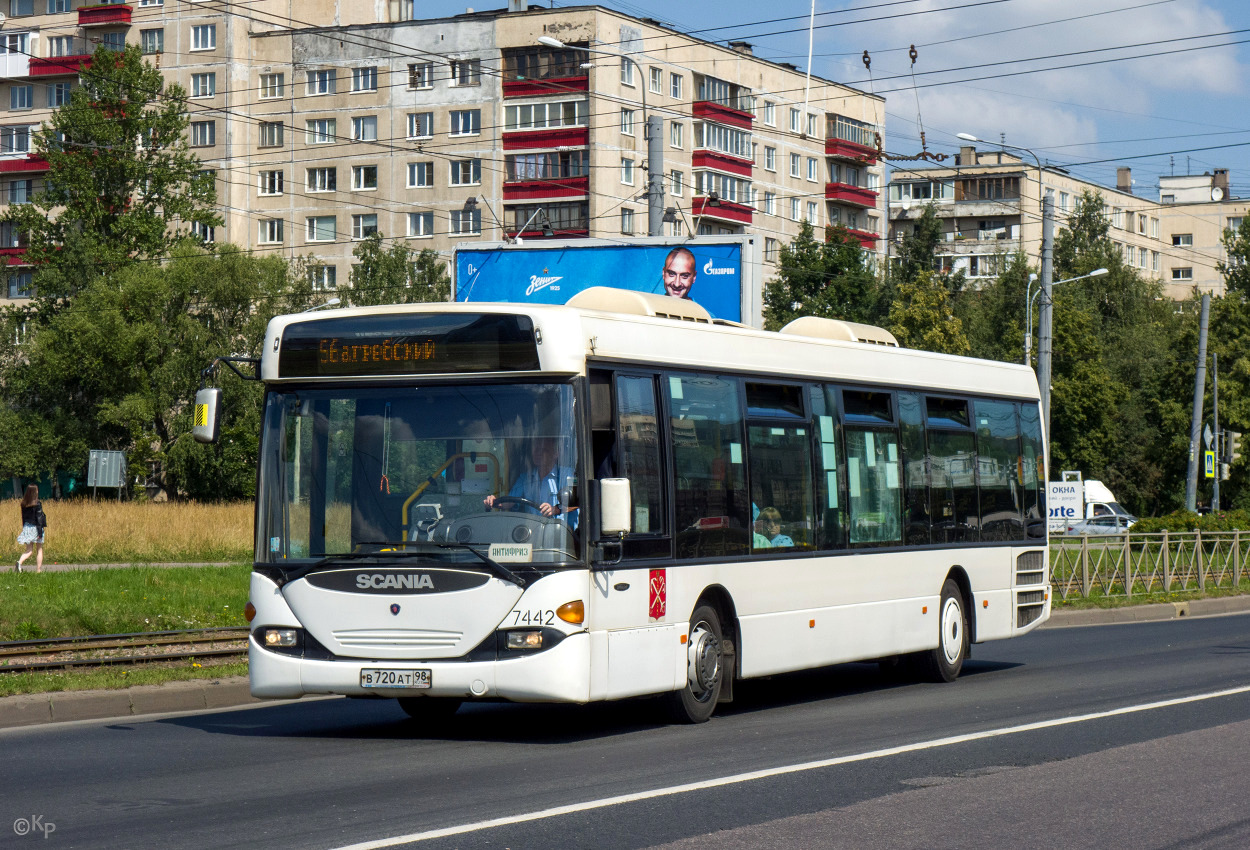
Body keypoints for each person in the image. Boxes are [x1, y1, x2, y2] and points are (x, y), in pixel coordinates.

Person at [484, 436, 577, 527]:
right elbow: (509, 502)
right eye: (535, 449)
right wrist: (494, 501)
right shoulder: (525, 478)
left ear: (556, 453)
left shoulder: (568, 475)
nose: (537, 453)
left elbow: (581, 502)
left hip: (562, 534)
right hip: (534, 533)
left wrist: (556, 509)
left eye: (543, 450)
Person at [15, 484, 46, 573]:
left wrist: (24, 528)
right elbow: (39, 519)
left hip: (27, 527)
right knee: (39, 549)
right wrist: (40, 533)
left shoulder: (24, 503)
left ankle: (19, 562)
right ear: (34, 492)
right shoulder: (37, 503)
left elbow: (23, 517)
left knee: (29, 550)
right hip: (36, 528)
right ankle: (38, 570)